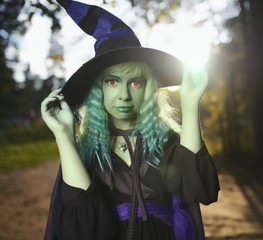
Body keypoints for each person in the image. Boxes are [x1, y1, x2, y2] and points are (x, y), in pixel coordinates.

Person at [42, 1, 220, 239]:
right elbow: (81, 222)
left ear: (147, 88)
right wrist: (63, 136)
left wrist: (189, 103)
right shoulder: (84, 148)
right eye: (112, 81)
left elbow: (200, 190)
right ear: (99, 89)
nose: (124, 95)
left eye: (135, 82)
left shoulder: (167, 141)